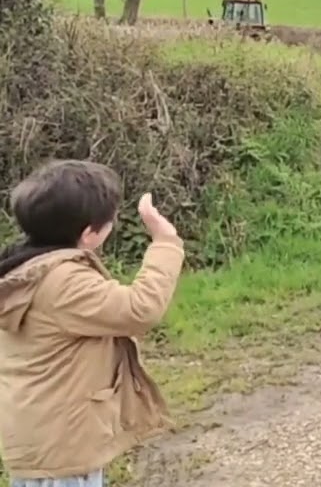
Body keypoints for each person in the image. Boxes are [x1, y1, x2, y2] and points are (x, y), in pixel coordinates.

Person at [0, 160, 185, 487]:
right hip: (61, 451)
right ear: (89, 233)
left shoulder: (26, 266)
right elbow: (138, 309)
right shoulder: (62, 282)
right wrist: (165, 243)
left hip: (43, 438)